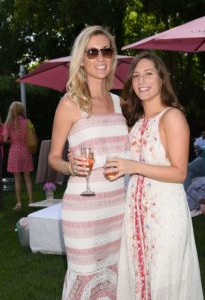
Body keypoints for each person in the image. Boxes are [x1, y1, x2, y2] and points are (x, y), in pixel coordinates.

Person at [104, 52, 203, 299]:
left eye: (148, 73)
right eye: (136, 76)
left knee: (164, 281)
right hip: (136, 214)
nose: (141, 80)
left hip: (165, 215)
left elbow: (179, 172)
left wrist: (132, 166)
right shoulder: (137, 122)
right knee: (140, 278)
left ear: (161, 79)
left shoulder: (172, 116)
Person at [48, 26, 129, 299]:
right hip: (83, 210)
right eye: (92, 52)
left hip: (117, 206)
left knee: (113, 278)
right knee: (84, 277)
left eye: (106, 50)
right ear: (81, 59)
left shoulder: (120, 103)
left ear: (113, 55)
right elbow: (53, 157)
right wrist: (70, 168)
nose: (100, 57)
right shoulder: (70, 104)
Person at [3, 101, 34, 210]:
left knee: (17, 179)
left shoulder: (8, 124)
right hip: (26, 150)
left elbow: (4, 139)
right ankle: (31, 201)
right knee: (27, 177)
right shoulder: (28, 122)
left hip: (14, 151)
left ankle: (19, 203)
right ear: (22, 111)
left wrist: (12, 140)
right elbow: (32, 134)